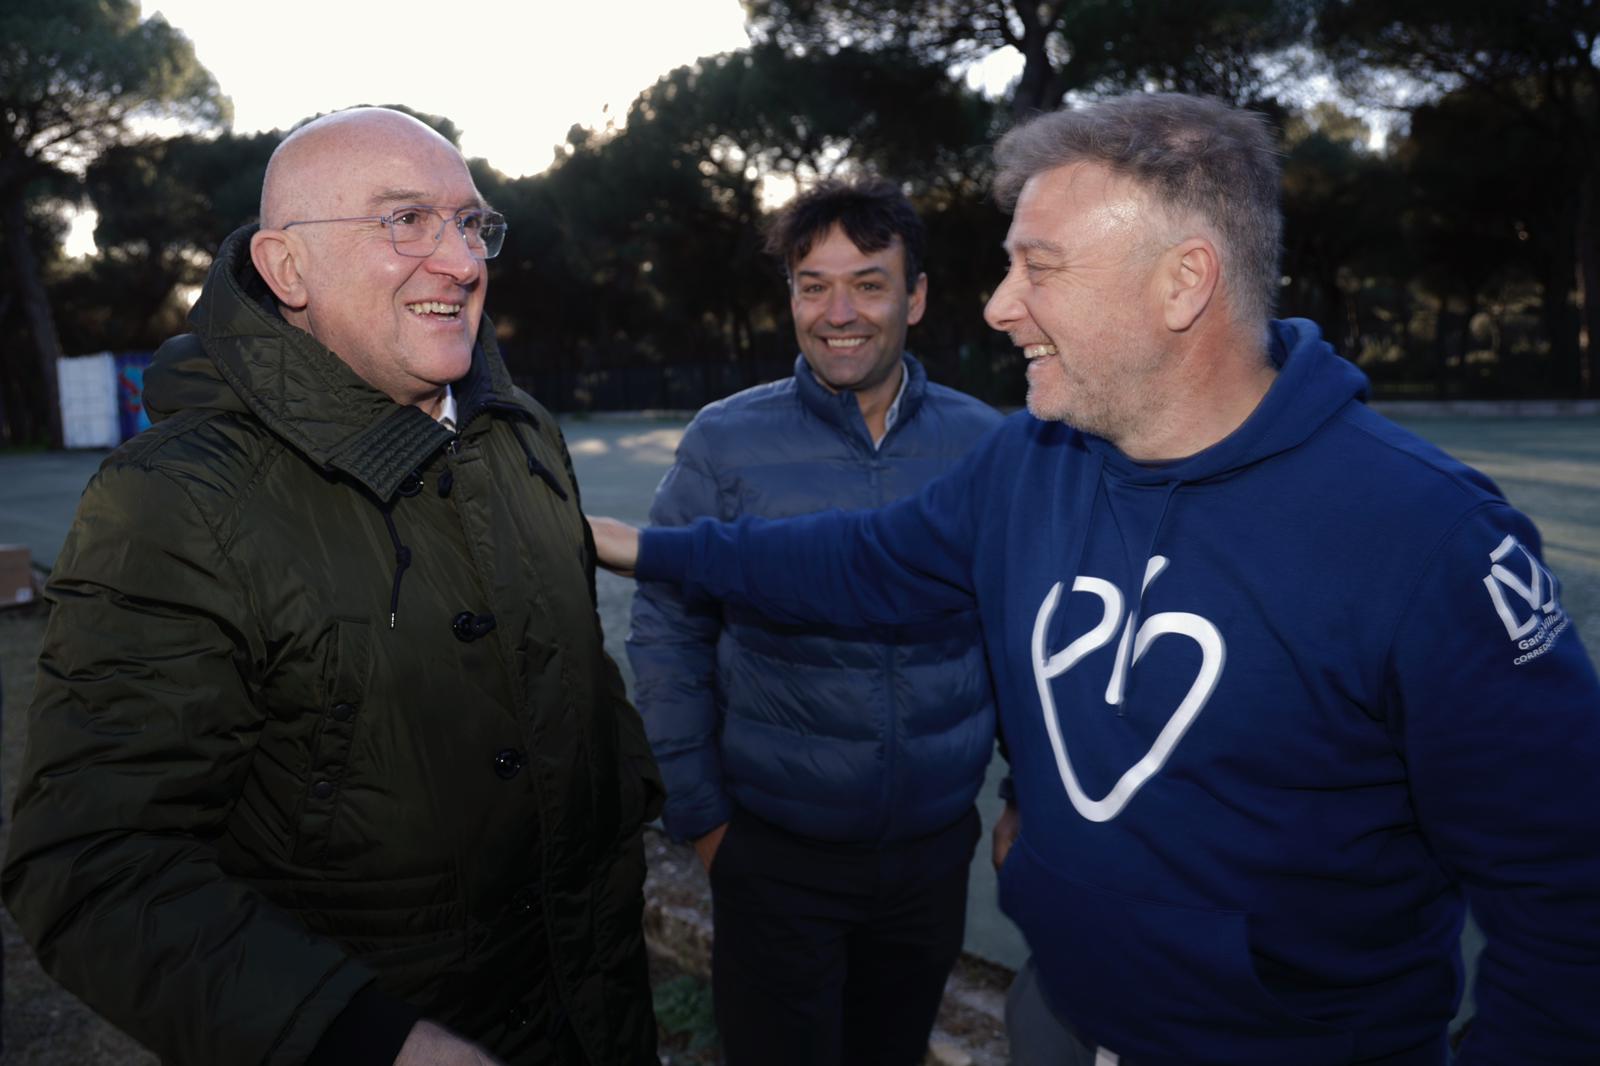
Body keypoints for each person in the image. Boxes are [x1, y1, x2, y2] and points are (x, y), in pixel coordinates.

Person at [589, 92, 1600, 1066]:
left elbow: (1567, 900)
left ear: (1183, 282)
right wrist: (652, 548)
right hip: (1059, 1018)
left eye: (1039, 267)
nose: (999, 306)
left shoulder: (1430, 538)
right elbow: (860, 559)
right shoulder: (1029, 462)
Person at [2, 108, 663, 1066]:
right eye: (406, 221)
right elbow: (92, 868)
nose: (461, 262)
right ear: (287, 268)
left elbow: (577, 687)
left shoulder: (522, 435)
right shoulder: (175, 499)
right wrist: (365, 1039)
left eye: (472, 223)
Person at [628, 177, 1001, 1066]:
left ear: (915, 297)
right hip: (772, 859)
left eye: (869, 284)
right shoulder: (725, 440)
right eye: (814, 286)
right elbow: (667, 632)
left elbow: (1026, 630)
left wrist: (1027, 791)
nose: (839, 313)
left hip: (931, 857)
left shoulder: (986, 444)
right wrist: (705, 822)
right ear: (790, 297)